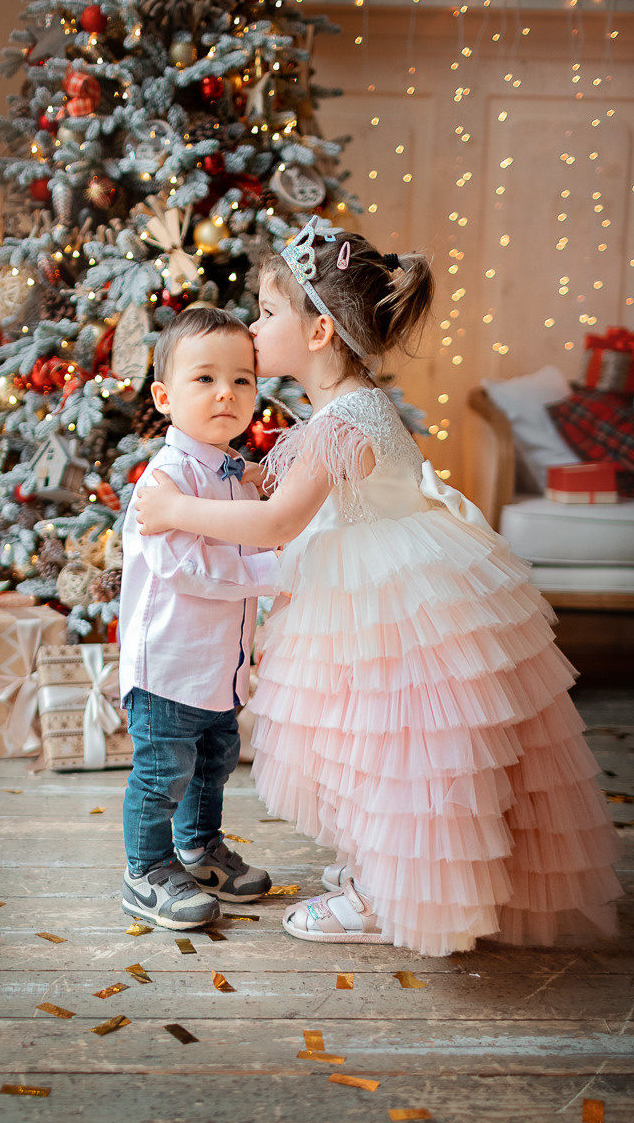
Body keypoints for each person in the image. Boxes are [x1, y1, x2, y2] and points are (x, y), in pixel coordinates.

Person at [135, 217, 622, 956]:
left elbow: (275, 524)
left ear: (321, 333)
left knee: (394, 748)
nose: (255, 330)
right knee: (371, 747)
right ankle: (378, 871)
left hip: (389, 599)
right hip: (380, 583)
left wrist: (173, 509)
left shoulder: (343, 421)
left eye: (268, 313)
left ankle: (382, 898)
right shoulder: (341, 408)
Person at [118, 306, 281, 931]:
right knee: (163, 774)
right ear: (164, 396)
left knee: (213, 764)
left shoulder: (239, 478)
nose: (227, 394)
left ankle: (198, 848)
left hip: (221, 668)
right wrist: (276, 574)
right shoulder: (166, 479)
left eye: (242, 380)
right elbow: (188, 569)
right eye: (205, 379)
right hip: (170, 665)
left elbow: (252, 542)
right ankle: (147, 870)